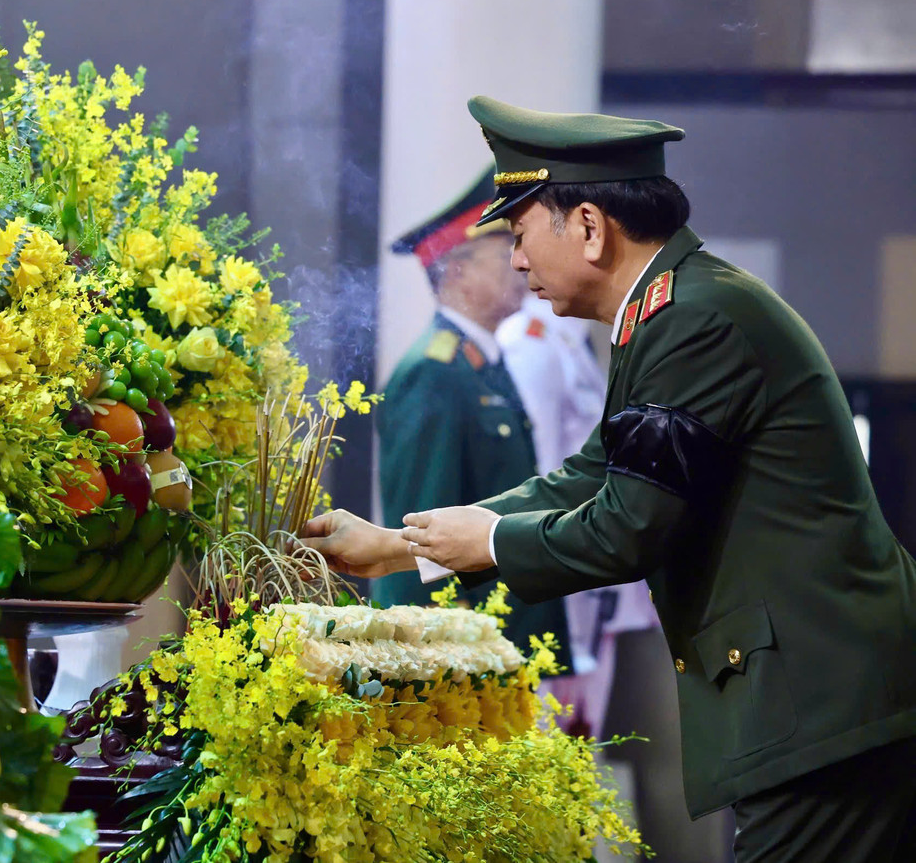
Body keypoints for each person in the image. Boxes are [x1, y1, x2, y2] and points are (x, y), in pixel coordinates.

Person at [303, 96, 916, 861]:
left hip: (825, 702)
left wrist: (487, 540)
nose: (518, 259)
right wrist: (397, 547)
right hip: (825, 694)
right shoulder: (671, 311)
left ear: (589, 228)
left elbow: (626, 526)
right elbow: (586, 478)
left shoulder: (694, 321)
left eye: (521, 234)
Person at [376, 169, 571, 671]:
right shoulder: (434, 373)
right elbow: (421, 522)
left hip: (500, 630)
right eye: (503, 253)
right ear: (456, 270)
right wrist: (429, 652)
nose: (520, 263)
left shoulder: (484, 364)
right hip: (461, 643)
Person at [499, 291, 656, 739]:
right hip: (563, 578)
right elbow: (547, 478)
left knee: (581, 739)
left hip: (589, 583)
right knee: (550, 734)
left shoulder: (571, 338)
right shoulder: (532, 343)